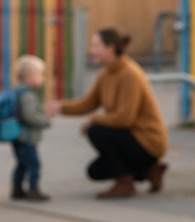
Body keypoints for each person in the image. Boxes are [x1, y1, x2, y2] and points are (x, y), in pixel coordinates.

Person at [45, 28, 168, 199]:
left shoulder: (129, 74)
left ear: (110, 48)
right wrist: (61, 107)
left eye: (95, 46)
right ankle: (148, 171)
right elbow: (88, 103)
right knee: (95, 171)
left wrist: (93, 119)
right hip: (131, 137)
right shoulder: (107, 73)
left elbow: (126, 118)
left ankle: (125, 182)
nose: (91, 50)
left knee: (96, 130)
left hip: (148, 141)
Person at [10, 54, 52, 202]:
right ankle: (33, 189)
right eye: (41, 75)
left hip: (17, 135)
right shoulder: (27, 94)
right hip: (26, 137)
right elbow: (30, 116)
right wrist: (46, 121)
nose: (43, 79)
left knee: (21, 163)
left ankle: (17, 188)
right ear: (29, 77)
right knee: (34, 164)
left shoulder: (18, 91)